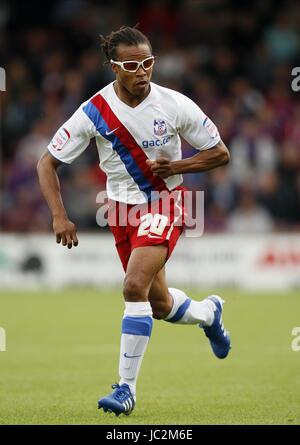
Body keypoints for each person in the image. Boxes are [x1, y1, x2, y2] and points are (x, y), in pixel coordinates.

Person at [37, 25, 231, 417]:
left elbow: (219, 153)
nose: (142, 71)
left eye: (148, 63)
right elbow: (47, 162)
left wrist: (176, 166)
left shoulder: (175, 104)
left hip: (166, 202)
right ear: (114, 67)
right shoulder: (93, 111)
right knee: (156, 303)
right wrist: (59, 215)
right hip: (120, 211)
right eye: (132, 64)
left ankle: (125, 389)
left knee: (133, 286)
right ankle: (210, 314)